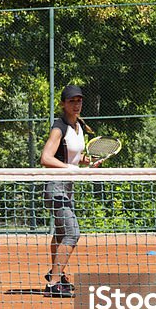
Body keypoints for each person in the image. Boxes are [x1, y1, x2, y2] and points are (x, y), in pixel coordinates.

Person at [39, 85, 93, 298]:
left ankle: (57, 275)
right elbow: (46, 158)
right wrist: (71, 168)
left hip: (68, 187)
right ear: (63, 104)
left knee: (61, 233)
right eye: (72, 101)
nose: (76, 104)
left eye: (79, 100)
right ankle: (53, 283)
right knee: (72, 233)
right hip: (55, 187)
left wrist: (84, 161)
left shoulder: (79, 126)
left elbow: (69, 156)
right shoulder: (59, 127)